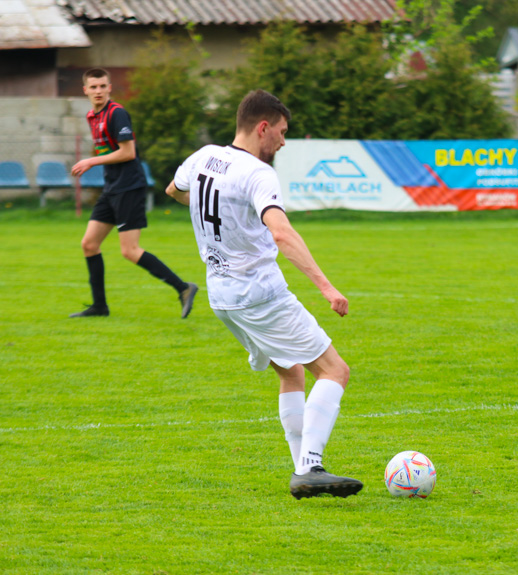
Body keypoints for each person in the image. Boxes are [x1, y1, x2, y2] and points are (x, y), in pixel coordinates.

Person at [165, 89, 362, 500]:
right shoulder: (258, 173)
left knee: (290, 372)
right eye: (283, 133)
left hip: (222, 297)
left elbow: (175, 191)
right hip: (259, 294)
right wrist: (326, 287)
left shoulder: (203, 156)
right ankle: (310, 466)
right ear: (262, 127)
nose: (283, 142)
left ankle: (301, 470)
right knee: (334, 371)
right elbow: (281, 232)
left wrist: (216, 217)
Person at [69, 68, 197, 318]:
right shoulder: (91, 116)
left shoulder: (117, 113)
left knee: (129, 250)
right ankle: (99, 307)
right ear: (85, 90)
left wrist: (91, 162)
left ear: (109, 88)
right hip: (112, 187)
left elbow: (128, 152)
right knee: (89, 244)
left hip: (129, 187)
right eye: (93, 87)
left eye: (102, 86)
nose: (98, 91)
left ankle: (183, 288)